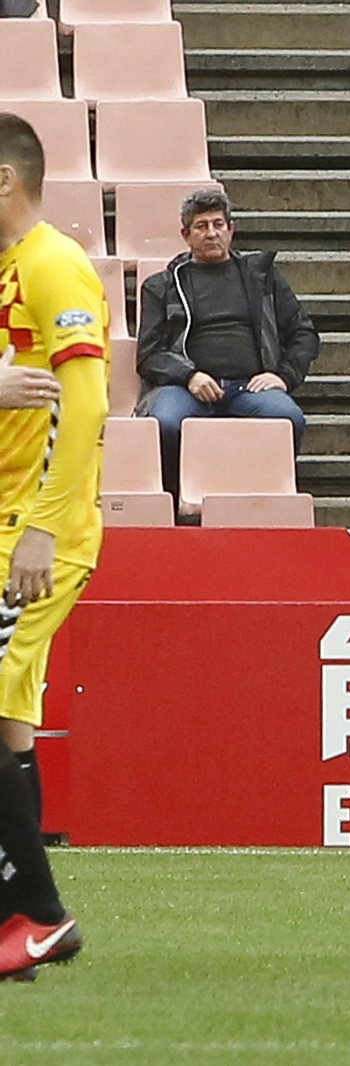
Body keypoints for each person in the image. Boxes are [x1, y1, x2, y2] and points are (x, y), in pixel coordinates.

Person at [0, 112, 107, 979]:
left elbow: (90, 407)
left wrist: (42, 525)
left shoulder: (52, 263)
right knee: (9, 722)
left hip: (34, 531)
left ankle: (38, 915)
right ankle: (18, 932)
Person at [137, 188, 318, 498]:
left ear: (231, 229)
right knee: (164, 423)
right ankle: (175, 503)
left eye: (218, 225)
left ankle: (270, 499)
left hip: (249, 388)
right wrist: (189, 376)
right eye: (201, 226)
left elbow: (304, 334)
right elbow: (149, 354)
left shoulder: (262, 278)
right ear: (186, 234)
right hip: (185, 389)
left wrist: (283, 377)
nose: (211, 234)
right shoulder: (162, 286)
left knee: (288, 417)